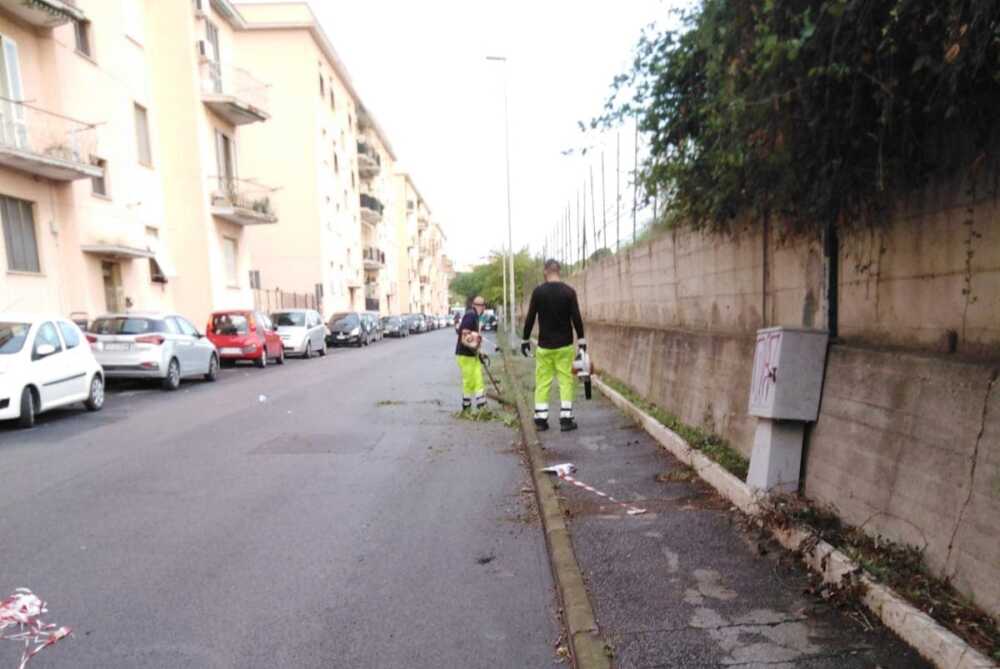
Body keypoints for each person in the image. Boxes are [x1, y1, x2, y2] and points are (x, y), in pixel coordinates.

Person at [521, 259, 586, 432]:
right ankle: (566, 419)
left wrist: (525, 340)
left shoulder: (538, 292)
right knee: (566, 381)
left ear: (545, 272)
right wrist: (582, 341)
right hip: (565, 346)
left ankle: (541, 420)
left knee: (543, 382)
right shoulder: (569, 292)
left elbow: (530, 317)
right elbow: (577, 318)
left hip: (545, 347)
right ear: (559, 271)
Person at [456, 296, 487, 411]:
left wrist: (479, 352)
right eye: (481, 305)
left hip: (472, 355)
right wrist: (474, 341)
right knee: (469, 380)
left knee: (478, 377)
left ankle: (481, 403)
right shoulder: (471, 315)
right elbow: (463, 332)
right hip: (465, 354)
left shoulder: (476, 317)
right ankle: (466, 405)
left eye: (482, 305)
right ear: (476, 306)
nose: (482, 308)